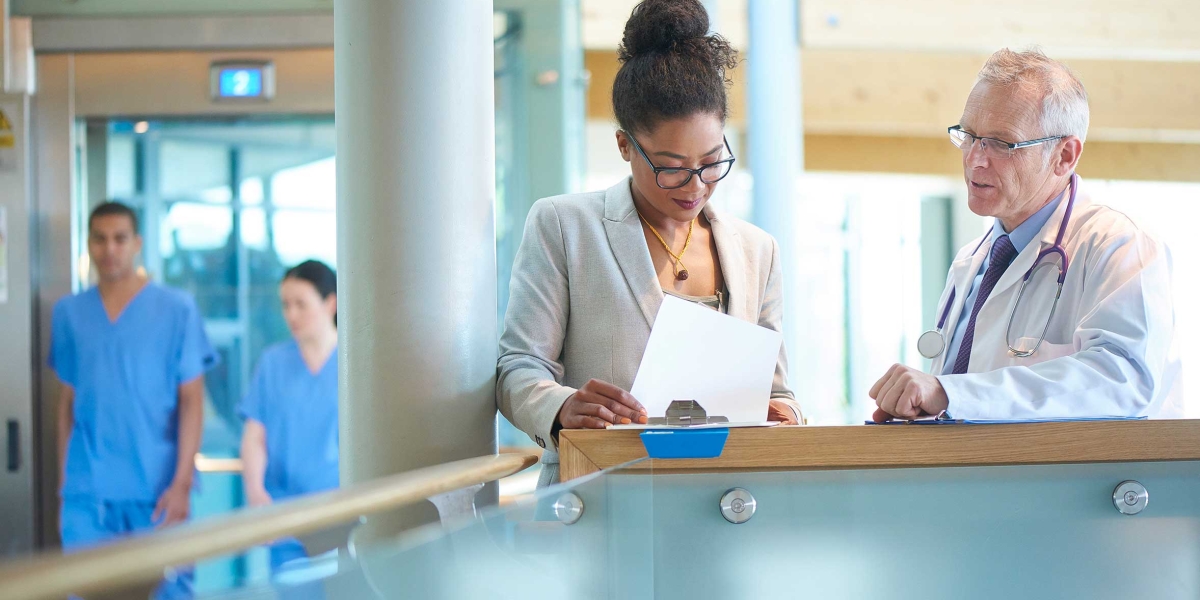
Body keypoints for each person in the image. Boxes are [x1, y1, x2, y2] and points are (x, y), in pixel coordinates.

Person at [498, 0, 803, 486]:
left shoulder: (755, 250)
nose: (695, 185)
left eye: (711, 161)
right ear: (624, 146)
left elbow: (779, 390)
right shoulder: (565, 226)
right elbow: (518, 367)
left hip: (726, 497)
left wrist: (782, 414)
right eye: (671, 167)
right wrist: (562, 407)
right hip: (600, 490)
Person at [870, 49, 1181, 422]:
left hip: (1078, 480)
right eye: (969, 136)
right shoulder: (971, 261)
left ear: (1064, 156)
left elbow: (1123, 380)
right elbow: (960, 404)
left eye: (1002, 143)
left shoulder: (1119, 245)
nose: (975, 160)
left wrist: (950, 393)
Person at [49, 201, 217, 599]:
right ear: (88, 244)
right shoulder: (70, 313)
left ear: (137, 243)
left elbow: (192, 400)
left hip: (157, 489)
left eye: (120, 239)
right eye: (100, 239)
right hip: (88, 494)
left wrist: (181, 483)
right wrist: (65, 486)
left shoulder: (176, 309)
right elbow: (67, 404)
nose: (110, 249)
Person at [239, 260, 338, 591]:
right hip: (285, 516)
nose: (291, 315)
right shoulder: (273, 363)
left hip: (344, 514)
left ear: (330, 303)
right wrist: (255, 491)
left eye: (301, 304)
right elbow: (255, 437)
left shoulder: (355, 362)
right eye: (285, 305)